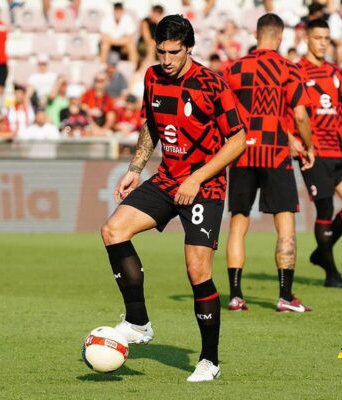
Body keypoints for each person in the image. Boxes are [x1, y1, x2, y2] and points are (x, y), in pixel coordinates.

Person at [100, 15, 246, 382]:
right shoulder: (152, 77)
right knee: (113, 230)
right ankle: (137, 321)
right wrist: (136, 167)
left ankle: (209, 360)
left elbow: (238, 140)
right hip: (167, 180)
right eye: (161, 51)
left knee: (197, 271)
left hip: (204, 186)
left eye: (174, 52)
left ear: (189, 49)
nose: (166, 59)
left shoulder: (212, 84)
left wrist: (197, 178)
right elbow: (151, 122)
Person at [222, 13, 315, 313]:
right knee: (285, 224)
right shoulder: (289, 69)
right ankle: (285, 297)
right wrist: (308, 146)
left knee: (238, 223)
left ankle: (235, 295)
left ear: (256, 33)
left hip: (241, 153)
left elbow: (224, 113)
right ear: (280, 36)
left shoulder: (233, 69)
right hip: (274, 153)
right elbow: (300, 115)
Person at [297, 19, 342, 289]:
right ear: (307, 39)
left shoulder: (337, 73)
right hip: (314, 152)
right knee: (325, 208)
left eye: (327, 38)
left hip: (338, 149)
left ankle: (321, 253)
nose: (323, 42)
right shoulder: (297, 72)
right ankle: (331, 274)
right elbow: (291, 112)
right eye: (318, 37)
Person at [99, 2, 138, 67]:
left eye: (119, 11)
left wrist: (115, 41)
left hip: (121, 45)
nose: (118, 13)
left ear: (122, 11)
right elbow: (104, 36)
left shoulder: (127, 18)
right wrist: (118, 41)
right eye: (116, 11)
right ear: (114, 11)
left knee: (131, 46)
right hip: (111, 43)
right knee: (104, 45)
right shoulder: (107, 18)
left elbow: (130, 37)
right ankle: (102, 67)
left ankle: (132, 68)